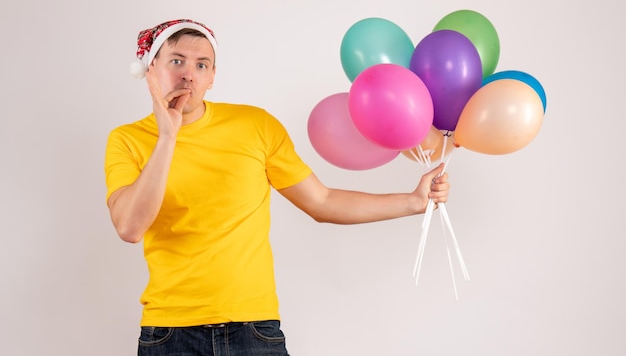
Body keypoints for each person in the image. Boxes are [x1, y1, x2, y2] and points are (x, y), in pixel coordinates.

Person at [104, 19, 450, 355]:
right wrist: (168, 136)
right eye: (176, 61)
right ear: (151, 70)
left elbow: (323, 201)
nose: (188, 74)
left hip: (253, 329)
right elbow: (130, 227)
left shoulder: (256, 125)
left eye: (202, 64)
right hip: (169, 334)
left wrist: (413, 201)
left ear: (212, 77)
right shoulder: (127, 140)